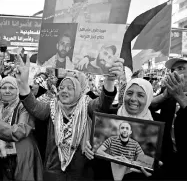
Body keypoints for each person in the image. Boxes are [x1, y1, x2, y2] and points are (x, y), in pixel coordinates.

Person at [15, 53, 124, 181]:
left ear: (78, 91)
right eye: (61, 88)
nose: (64, 91)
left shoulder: (86, 104)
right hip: (54, 171)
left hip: (81, 172)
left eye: (70, 88)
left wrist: (109, 81)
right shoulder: (52, 106)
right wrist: (23, 85)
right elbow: (34, 107)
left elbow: (102, 104)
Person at [84, 78, 155, 180]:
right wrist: (90, 149)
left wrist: (151, 168)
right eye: (129, 93)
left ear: (148, 98)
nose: (133, 99)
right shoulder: (108, 118)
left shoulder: (155, 128)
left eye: (140, 95)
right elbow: (97, 154)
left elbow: (150, 162)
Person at [149, 57, 187, 180]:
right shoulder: (168, 91)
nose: (175, 73)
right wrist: (163, 96)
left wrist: (180, 95)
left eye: (181, 68)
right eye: (173, 70)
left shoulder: (177, 92)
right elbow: (148, 107)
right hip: (166, 158)